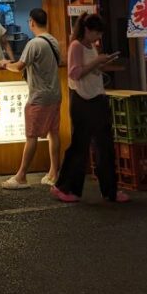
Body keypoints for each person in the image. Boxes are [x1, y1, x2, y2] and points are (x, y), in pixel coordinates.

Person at [52, 13, 128, 204]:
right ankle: (65, 187)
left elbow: (88, 71)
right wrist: (97, 61)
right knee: (80, 147)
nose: (98, 38)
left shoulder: (91, 46)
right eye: (96, 33)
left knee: (105, 146)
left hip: (97, 97)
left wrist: (101, 63)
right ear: (87, 30)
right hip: (83, 101)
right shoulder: (76, 46)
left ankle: (110, 191)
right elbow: (75, 73)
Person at [2, 8, 61, 189]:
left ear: (31, 22)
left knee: (31, 136)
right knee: (53, 133)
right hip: (55, 94)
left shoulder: (34, 43)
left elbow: (19, 66)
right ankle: (53, 173)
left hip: (39, 96)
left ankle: (21, 176)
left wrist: (6, 65)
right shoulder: (53, 41)